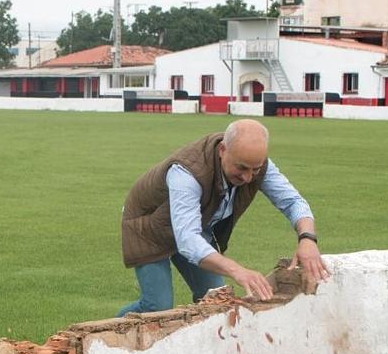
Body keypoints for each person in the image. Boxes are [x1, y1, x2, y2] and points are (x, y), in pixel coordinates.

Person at [117, 119, 329, 316]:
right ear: (222, 150)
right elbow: (188, 241)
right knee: (157, 307)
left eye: (255, 169)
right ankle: (98, 343)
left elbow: (293, 201)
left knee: (216, 300)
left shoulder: (255, 163)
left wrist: (307, 239)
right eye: (241, 168)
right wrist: (238, 271)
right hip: (149, 227)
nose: (248, 178)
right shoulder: (187, 173)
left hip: (196, 224)